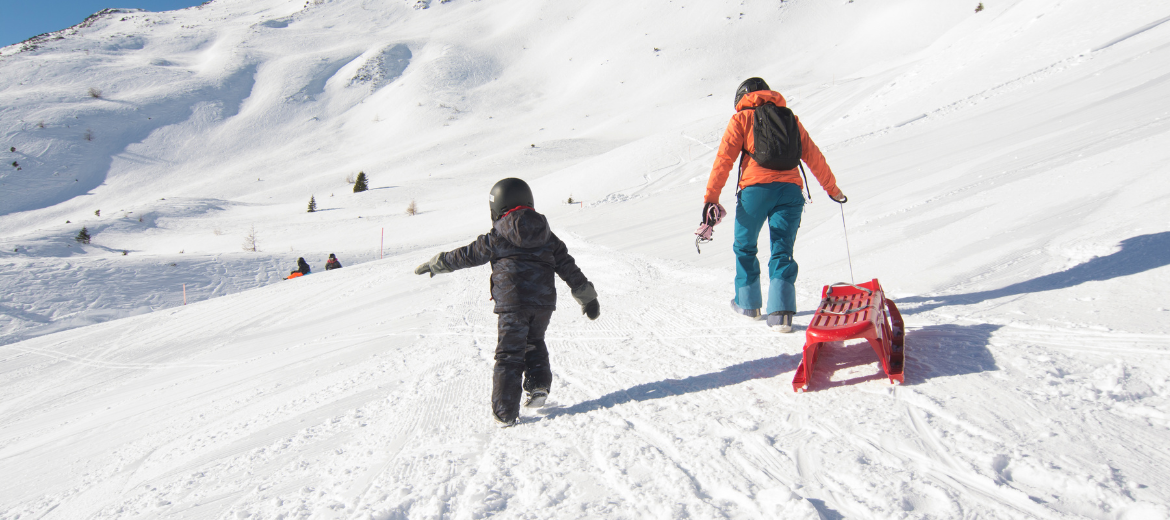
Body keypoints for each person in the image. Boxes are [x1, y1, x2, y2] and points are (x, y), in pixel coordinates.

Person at [414, 178, 600, 426]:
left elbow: (467, 255)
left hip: (513, 303)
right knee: (534, 341)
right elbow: (568, 265)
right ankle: (538, 387)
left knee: (509, 354)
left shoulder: (499, 235)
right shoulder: (547, 235)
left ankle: (505, 413)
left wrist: (437, 263)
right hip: (543, 303)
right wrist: (587, 297)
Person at [702, 77, 846, 333]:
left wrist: (711, 199)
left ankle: (748, 305)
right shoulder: (789, 118)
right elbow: (813, 155)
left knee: (745, 246)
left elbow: (724, 160)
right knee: (782, 250)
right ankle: (781, 314)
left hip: (755, 192)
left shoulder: (741, 119)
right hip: (791, 191)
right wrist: (833, 190)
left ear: (741, 98)